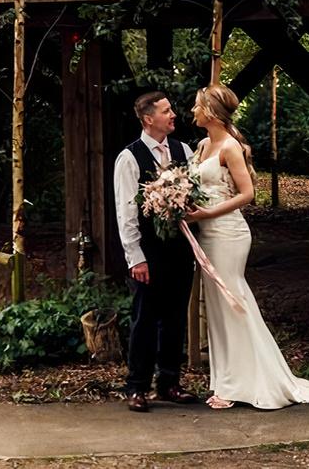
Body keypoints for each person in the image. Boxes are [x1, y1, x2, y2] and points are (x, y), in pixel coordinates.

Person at [185, 83, 309, 410]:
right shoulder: (203, 145)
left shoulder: (230, 147)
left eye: (197, 105)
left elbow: (247, 195)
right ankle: (226, 380)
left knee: (233, 300)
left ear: (212, 112)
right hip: (205, 232)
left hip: (228, 233)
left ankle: (247, 383)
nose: (192, 110)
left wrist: (206, 213)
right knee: (217, 307)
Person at [112, 90, 201, 412]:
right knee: (145, 319)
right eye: (166, 111)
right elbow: (126, 213)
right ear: (149, 119)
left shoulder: (184, 150)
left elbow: (195, 196)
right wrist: (136, 257)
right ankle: (136, 386)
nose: (173, 114)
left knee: (176, 317)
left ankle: (169, 383)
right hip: (149, 251)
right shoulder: (129, 157)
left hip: (179, 248)